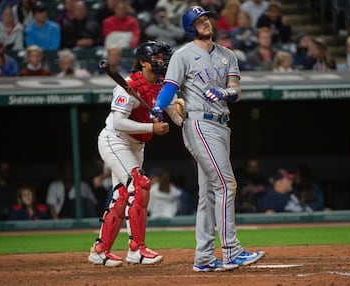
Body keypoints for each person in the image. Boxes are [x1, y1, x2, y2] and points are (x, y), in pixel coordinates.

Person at [151, 6, 265, 272]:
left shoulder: (227, 54)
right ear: (190, 27)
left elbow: (237, 91)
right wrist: (158, 108)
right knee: (227, 185)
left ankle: (203, 258)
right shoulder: (183, 55)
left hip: (222, 124)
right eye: (199, 20)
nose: (205, 23)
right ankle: (231, 251)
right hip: (199, 123)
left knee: (207, 194)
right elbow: (169, 87)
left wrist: (225, 93)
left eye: (206, 18)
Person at [87, 40, 183, 267]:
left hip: (137, 146)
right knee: (140, 185)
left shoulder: (163, 85)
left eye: (163, 57)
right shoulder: (127, 85)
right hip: (115, 140)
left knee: (122, 196)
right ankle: (136, 249)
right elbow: (119, 123)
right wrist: (152, 128)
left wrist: (181, 111)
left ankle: (100, 251)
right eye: (157, 58)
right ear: (143, 62)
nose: (162, 61)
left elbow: (177, 119)